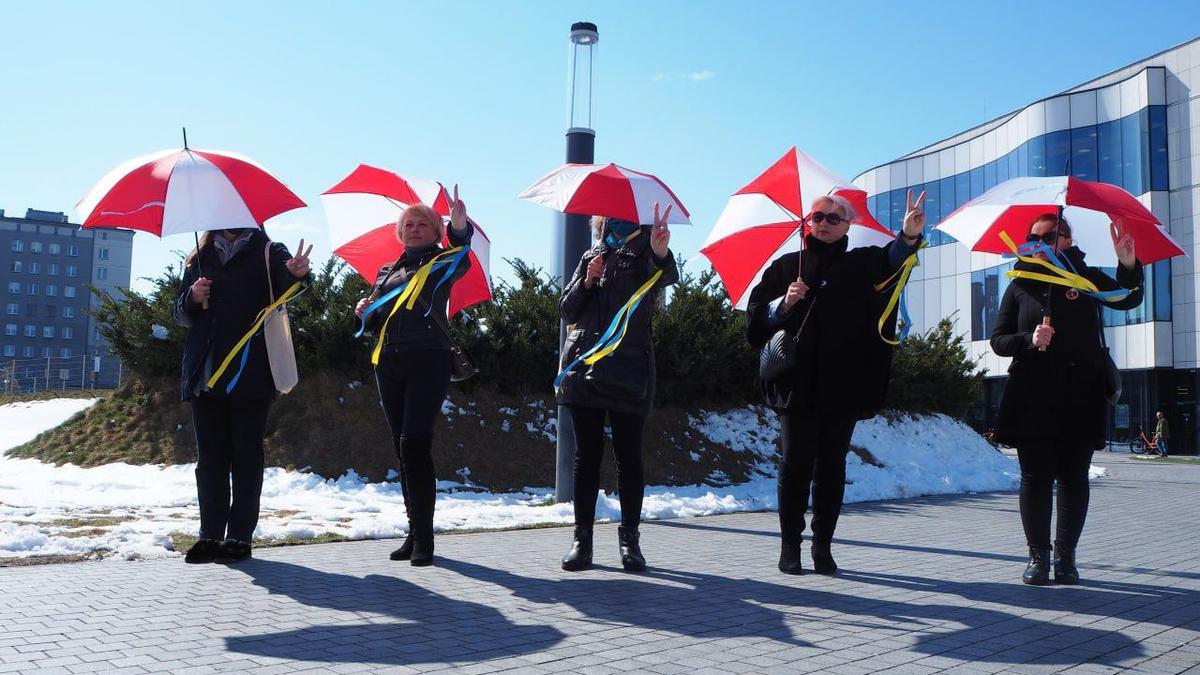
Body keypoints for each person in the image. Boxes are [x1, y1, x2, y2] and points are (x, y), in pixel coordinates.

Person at [746, 192, 925, 575]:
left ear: (847, 226)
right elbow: (755, 322)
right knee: (794, 465)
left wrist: (908, 236)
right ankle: (790, 546)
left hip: (842, 386)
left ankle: (822, 545)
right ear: (807, 222)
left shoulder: (861, 263)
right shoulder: (785, 266)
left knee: (831, 468)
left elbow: (893, 260)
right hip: (796, 385)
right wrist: (783, 305)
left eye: (833, 218)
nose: (824, 223)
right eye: (818, 217)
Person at [990, 214, 1142, 585]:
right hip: (1032, 392)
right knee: (1036, 477)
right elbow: (998, 340)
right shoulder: (1020, 283)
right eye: (1033, 238)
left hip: (1081, 391)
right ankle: (1037, 558)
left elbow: (1127, 299)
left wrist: (1127, 265)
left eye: (1050, 236)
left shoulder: (1085, 277)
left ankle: (1066, 558)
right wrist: (1029, 340)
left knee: (1074, 478)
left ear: (1067, 240)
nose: (1039, 243)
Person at [174, 229, 312, 564]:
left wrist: (296, 273)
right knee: (210, 462)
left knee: (246, 458)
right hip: (205, 375)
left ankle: (239, 536)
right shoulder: (198, 255)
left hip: (251, 373)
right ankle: (209, 535)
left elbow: (290, 286)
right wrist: (192, 297)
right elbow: (179, 314)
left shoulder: (268, 251)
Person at [355, 187, 473, 567]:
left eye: (424, 223)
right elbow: (374, 322)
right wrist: (364, 310)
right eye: (409, 223)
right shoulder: (386, 271)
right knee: (401, 448)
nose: (415, 227)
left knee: (415, 446)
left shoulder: (443, 261)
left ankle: (425, 539)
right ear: (399, 231)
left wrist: (459, 229)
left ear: (436, 230)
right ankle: (412, 529)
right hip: (388, 361)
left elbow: (462, 259)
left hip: (429, 360)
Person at [557, 204, 678, 572]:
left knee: (628, 458)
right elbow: (567, 309)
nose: (615, 217)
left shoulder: (646, 252)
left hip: (629, 369)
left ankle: (630, 541)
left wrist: (659, 250)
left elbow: (665, 275)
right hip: (585, 368)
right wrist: (587, 280)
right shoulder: (592, 255)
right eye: (608, 212)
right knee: (586, 457)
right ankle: (583, 541)